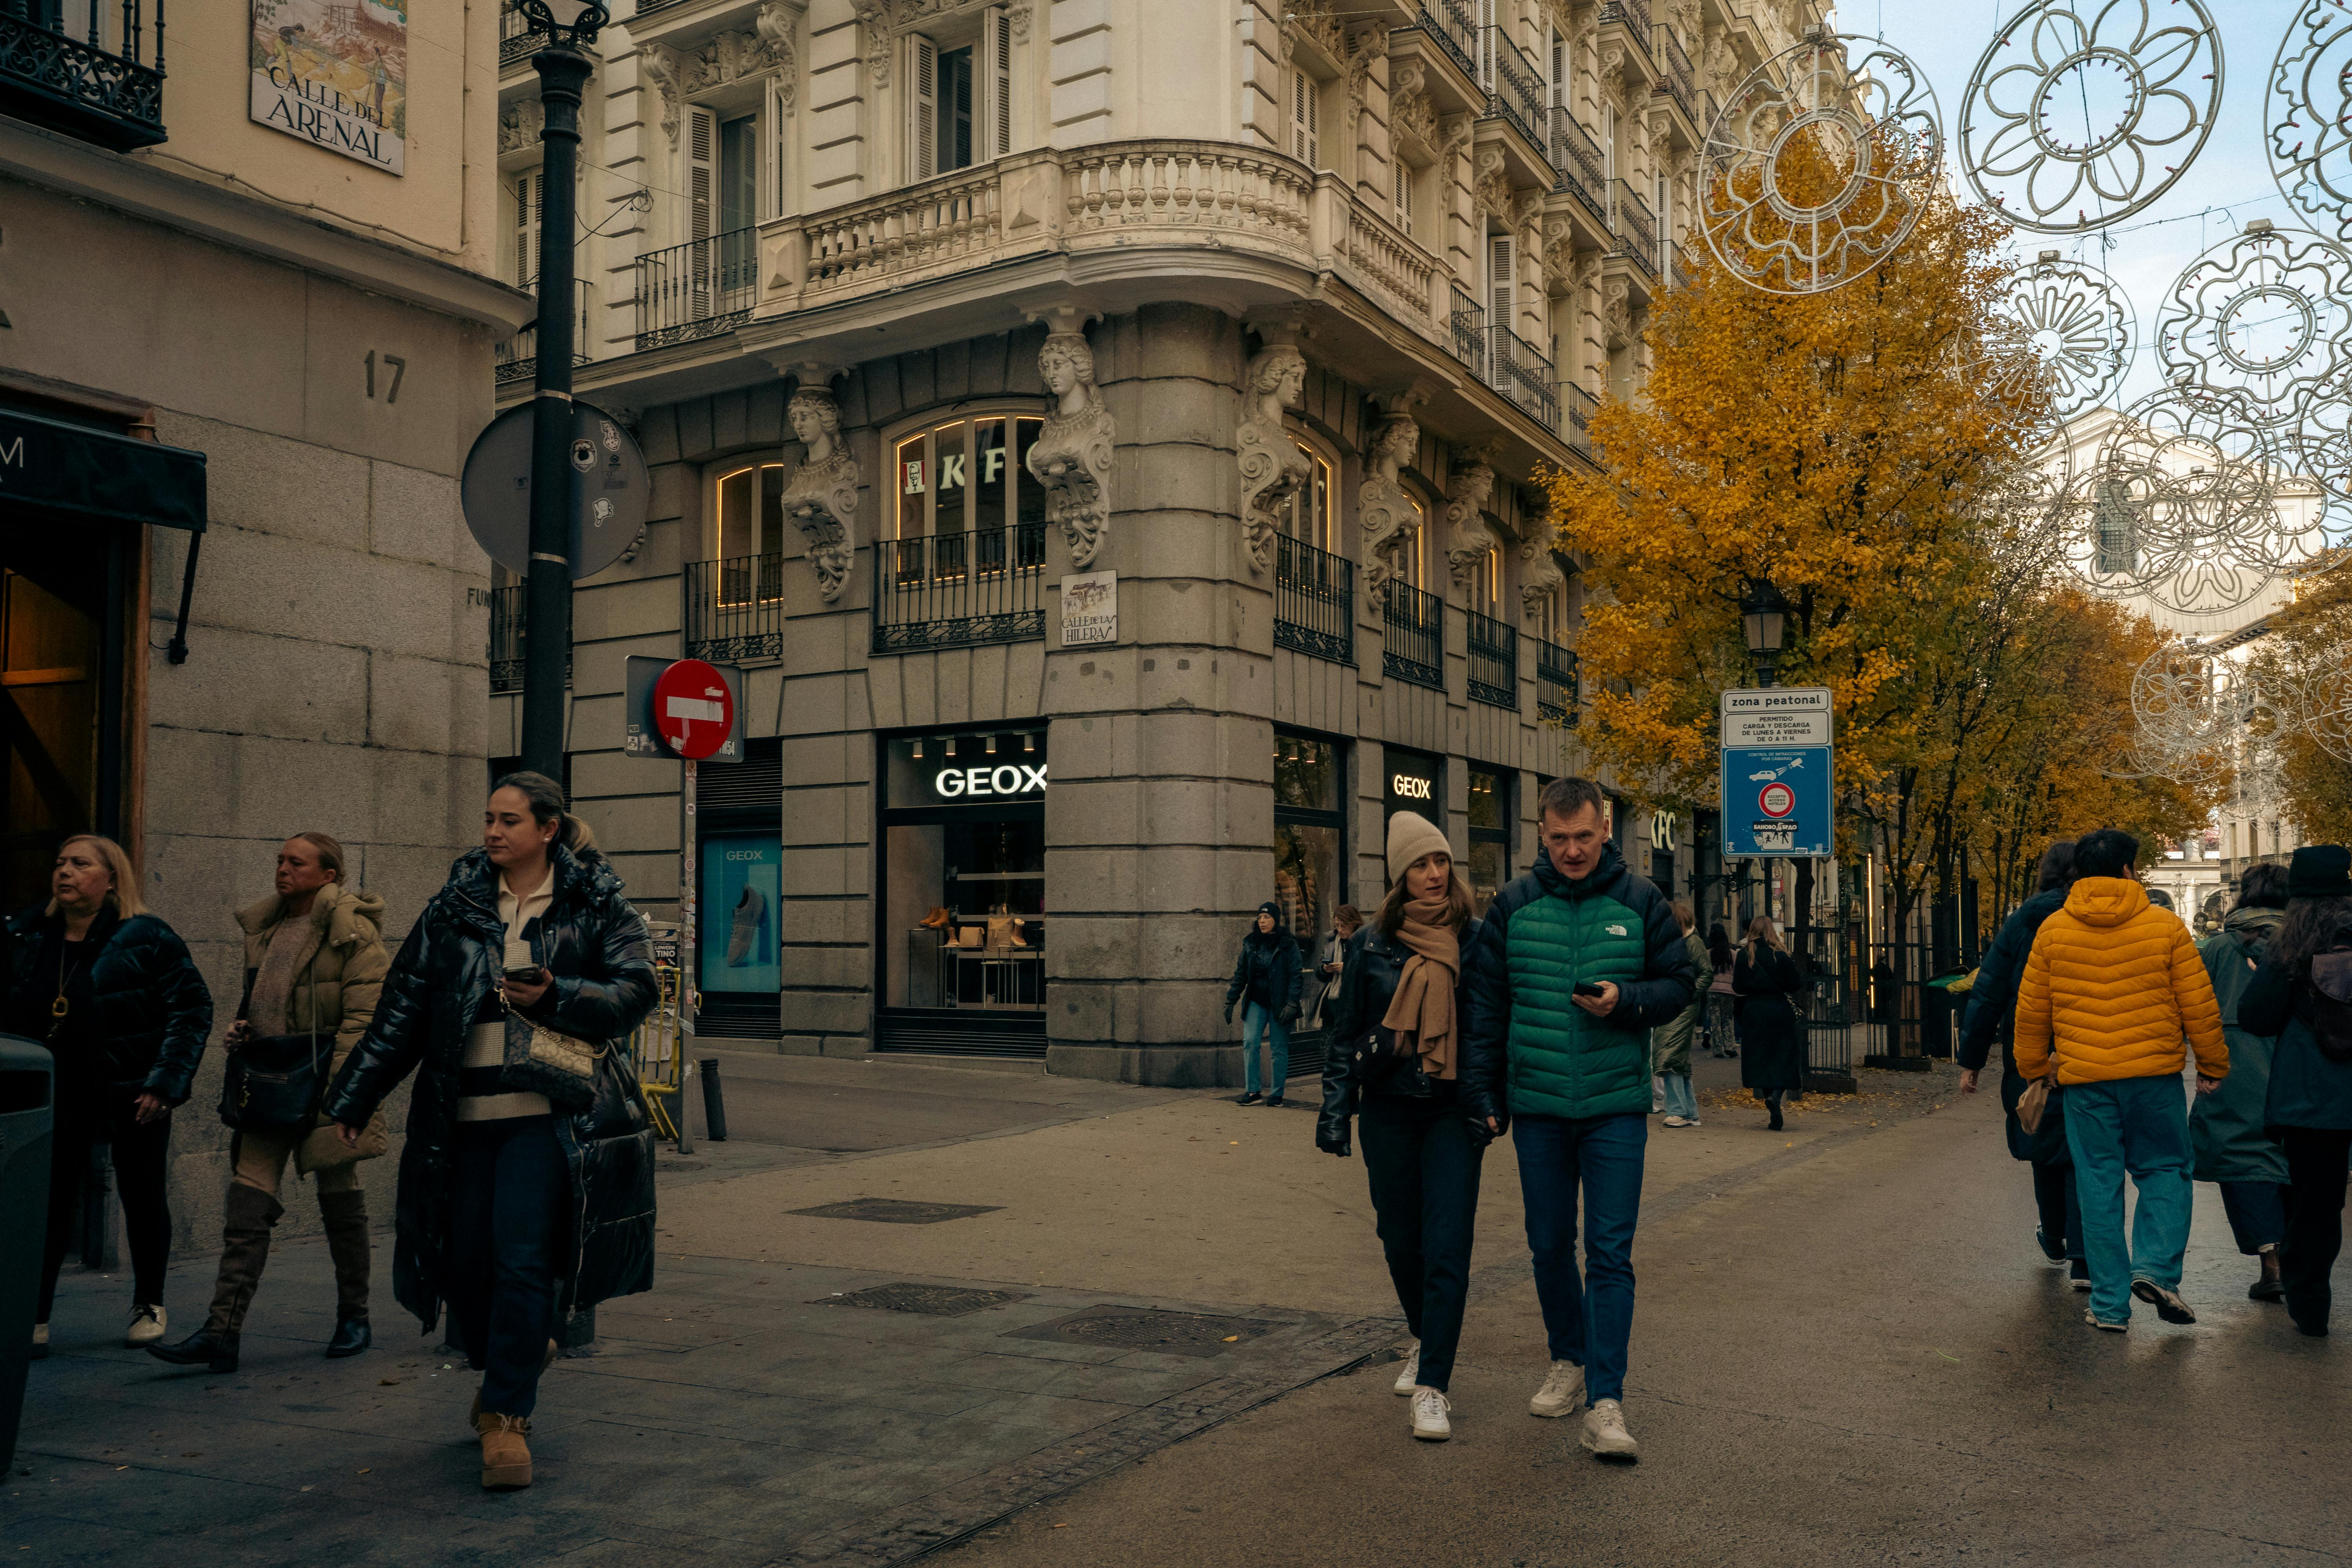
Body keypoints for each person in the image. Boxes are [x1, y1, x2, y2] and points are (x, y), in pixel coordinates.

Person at [321, 773, 659, 1490]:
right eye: (488, 818)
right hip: (462, 1122)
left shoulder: (597, 904)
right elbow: (401, 1012)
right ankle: (521, 1347)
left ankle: (506, 1418)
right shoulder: (455, 908)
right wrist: (355, 1097)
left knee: (522, 1262)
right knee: (465, 1266)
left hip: (547, 1120)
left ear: (549, 830)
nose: (493, 832)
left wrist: (559, 995)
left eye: (509, 820)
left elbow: (637, 990)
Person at [1461, 776, 1695, 1463]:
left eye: (1583, 837)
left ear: (1605, 831)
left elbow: (1681, 984)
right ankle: (1567, 1360)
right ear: (1542, 833)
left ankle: (1607, 1401)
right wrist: (1484, 1096)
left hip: (1615, 1108)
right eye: (1559, 838)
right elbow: (1485, 1007)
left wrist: (1626, 999)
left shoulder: (1642, 900)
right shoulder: (1513, 905)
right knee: (1546, 1245)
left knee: (1610, 1253)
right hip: (1536, 1107)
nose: (1571, 850)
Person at [149, 833, 390, 1373]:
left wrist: (344, 1101)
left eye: (295, 862)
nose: (282, 869)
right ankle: (222, 1333)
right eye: (280, 860)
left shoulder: (353, 932)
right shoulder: (268, 927)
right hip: (271, 1085)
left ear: (328, 874)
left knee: (341, 1203)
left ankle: (355, 1316)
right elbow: (268, 999)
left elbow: (363, 1023)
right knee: (246, 1206)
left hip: (328, 1089)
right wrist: (246, 1028)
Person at [2013, 827, 2227, 1333]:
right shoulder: (2165, 927)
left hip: (2085, 1083)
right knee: (2166, 1170)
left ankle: (2110, 1306)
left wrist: (2033, 1070)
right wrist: (2213, 1065)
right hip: (2154, 1078)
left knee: (2098, 1185)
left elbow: (2032, 1011)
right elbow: (2198, 1004)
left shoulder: (2054, 930)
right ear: (2130, 870)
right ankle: (2155, 1270)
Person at [4, 835, 211, 1358]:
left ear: (113, 879)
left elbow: (191, 1011)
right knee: (47, 1205)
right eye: (60, 863)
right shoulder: (27, 934)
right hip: (53, 1094)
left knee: (142, 1196)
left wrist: (165, 1084)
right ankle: (34, 1314)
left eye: (80, 863)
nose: (65, 872)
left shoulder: (145, 937)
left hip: (130, 1089)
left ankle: (149, 1302)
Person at [1315, 813, 1481, 1441]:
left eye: (1440, 862)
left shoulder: (1477, 937)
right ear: (1400, 875)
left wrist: (1490, 1101)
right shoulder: (1372, 944)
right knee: (1399, 1239)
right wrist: (1336, 1113)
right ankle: (1425, 1333)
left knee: (1448, 1245)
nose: (1434, 875)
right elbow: (1346, 1034)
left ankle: (1434, 1383)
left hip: (1451, 1109)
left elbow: (1488, 1032)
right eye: (1420, 864)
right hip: (1388, 1107)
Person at [1958, 840, 2089, 1291]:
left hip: (2030, 1050)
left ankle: (2054, 1236)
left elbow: (1989, 991)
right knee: (2084, 1152)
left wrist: (1971, 1061)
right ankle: (2085, 1257)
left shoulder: (2023, 921)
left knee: (2043, 1143)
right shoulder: (2093, 916)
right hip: (2088, 1046)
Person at [2236, 844, 2352, 1338]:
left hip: (2310, 1096)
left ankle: (2310, 1303)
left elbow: (2255, 1018)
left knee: (2315, 1202)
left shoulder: (2289, 946)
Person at [2190, 862, 2293, 1305]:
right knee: (2296, 1156)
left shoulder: (2215, 949)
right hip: (2296, 1066)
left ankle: (2271, 1259)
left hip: (2232, 1067)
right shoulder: (2307, 943)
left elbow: (2190, 1006)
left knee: (2241, 1157)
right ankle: (2295, 1255)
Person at [1225, 900, 1302, 1107]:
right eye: (1259, 918)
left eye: (1267, 917)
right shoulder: (1251, 943)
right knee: (1250, 1043)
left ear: (1276, 920)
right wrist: (1231, 999)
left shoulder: (1288, 944)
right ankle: (1253, 1091)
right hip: (1256, 1001)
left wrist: (1293, 1003)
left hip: (1281, 1003)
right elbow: (1241, 974)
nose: (1262, 921)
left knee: (1278, 1048)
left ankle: (1277, 1094)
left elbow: (1296, 975)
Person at [1733, 917, 1806, 1131]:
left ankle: (1772, 1103)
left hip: (1754, 1012)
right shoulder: (1780, 954)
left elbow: (1738, 987)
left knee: (1760, 1059)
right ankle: (1776, 1095)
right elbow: (1795, 983)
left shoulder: (1744, 956)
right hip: (1779, 1011)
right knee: (1785, 1056)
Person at [1651, 902, 1707, 1128]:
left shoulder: (1693, 943)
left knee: (1669, 1056)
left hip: (1682, 1006)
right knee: (1679, 1060)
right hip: (1673, 1004)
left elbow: (1706, 973)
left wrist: (1687, 993)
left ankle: (1677, 1111)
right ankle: (1690, 1112)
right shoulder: (1681, 942)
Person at [1303, 904, 1363, 1031]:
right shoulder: (1332, 943)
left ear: (1354, 924)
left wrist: (1347, 969)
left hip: (1355, 1002)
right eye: (1337, 926)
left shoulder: (1364, 943)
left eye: (1344, 926)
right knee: (1329, 1042)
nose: (1340, 930)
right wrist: (1325, 969)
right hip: (1333, 1001)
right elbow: (1319, 975)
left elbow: (1370, 971)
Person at [1704, 923, 1737, 1058]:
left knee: (1715, 1020)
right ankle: (1730, 1046)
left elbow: (1705, 972)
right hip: (1729, 991)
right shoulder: (1732, 954)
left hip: (1712, 990)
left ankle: (1718, 1048)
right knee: (1728, 1019)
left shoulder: (1708, 954)